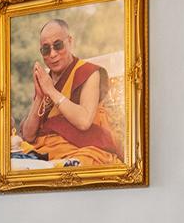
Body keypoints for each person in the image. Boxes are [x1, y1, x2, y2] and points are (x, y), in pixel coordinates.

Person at [17, 16, 123, 167]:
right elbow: (28, 135)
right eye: (46, 49)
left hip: (81, 149)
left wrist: (51, 92)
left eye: (58, 45)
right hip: (44, 151)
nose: (52, 54)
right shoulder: (45, 80)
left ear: (70, 42)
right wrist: (40, 96)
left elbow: (84, 121)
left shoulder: (88, 72)